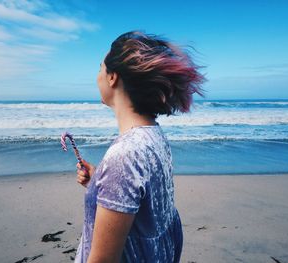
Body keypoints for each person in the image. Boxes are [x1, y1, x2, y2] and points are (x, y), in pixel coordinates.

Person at [74, 31, 204, 263]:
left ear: (112, 77)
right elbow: (145, 212)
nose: (97, 76)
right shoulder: (154, 135)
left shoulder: (124, 156)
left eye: (100, 67)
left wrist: (110, 177)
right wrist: (98, 183)